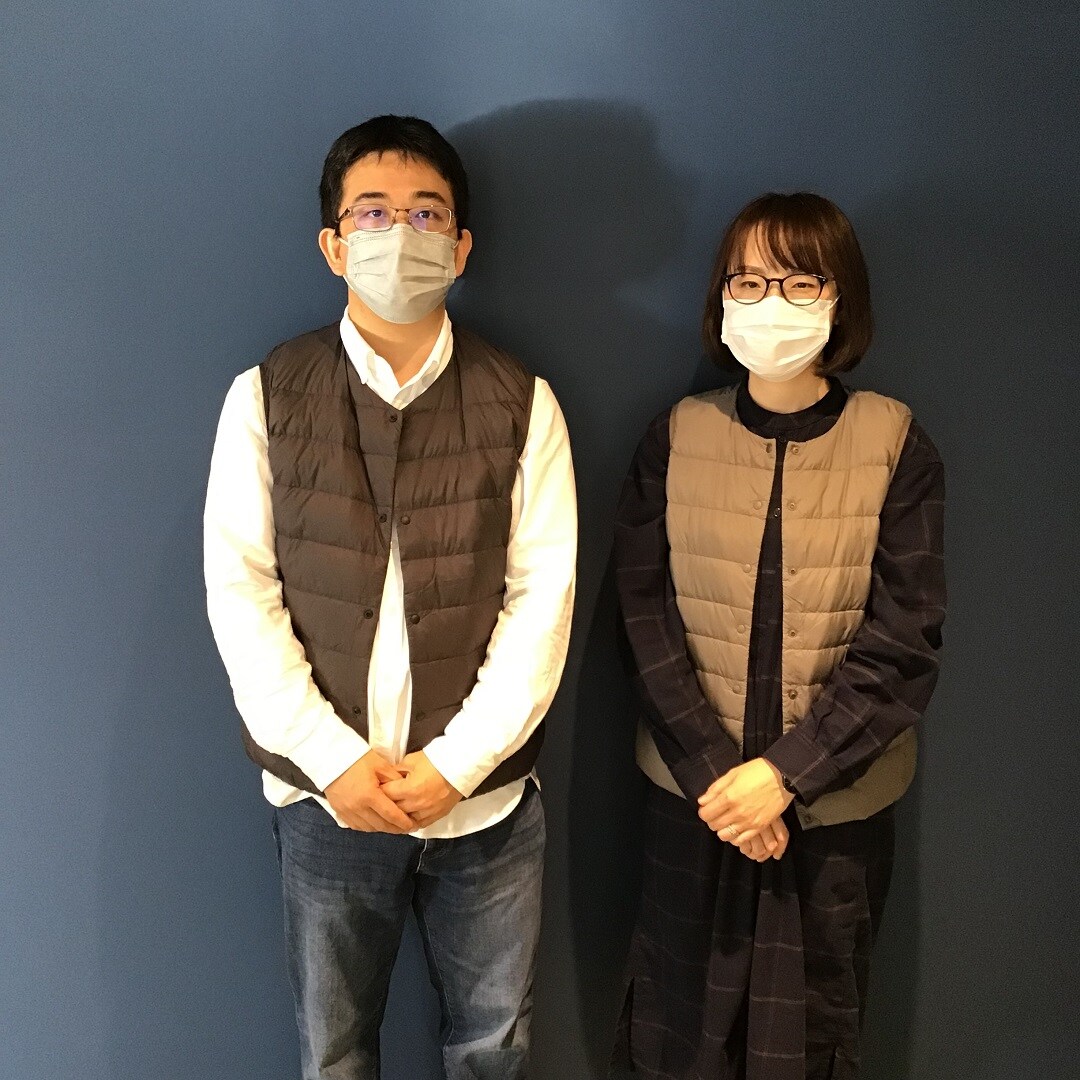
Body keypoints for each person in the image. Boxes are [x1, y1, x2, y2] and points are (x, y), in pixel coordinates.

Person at [204, 115, 576, 1080]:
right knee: (334, 1055)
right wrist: (332, 762)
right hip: (326, 802)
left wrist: (458, 764)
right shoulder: (265, 395)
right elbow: (240, 593)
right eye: (372, 213)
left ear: (461, 246)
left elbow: (543, 600)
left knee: (494, 1049)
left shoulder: (522, 400)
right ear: (334, 246)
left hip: (486, 806)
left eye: (426, 214)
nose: (398, 234)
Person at [612, 193, 945, 1080]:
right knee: (676, 1033)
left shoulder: (895, 442)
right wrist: (719, 778)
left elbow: (905, 638)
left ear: (841, 299)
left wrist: (786, 777)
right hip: (695, 807)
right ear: (722, 298)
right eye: (750, 281)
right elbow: (642, 617)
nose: (772, 303)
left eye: (802, 282)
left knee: (810, 1040)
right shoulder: (677, 436)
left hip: (832, 817)